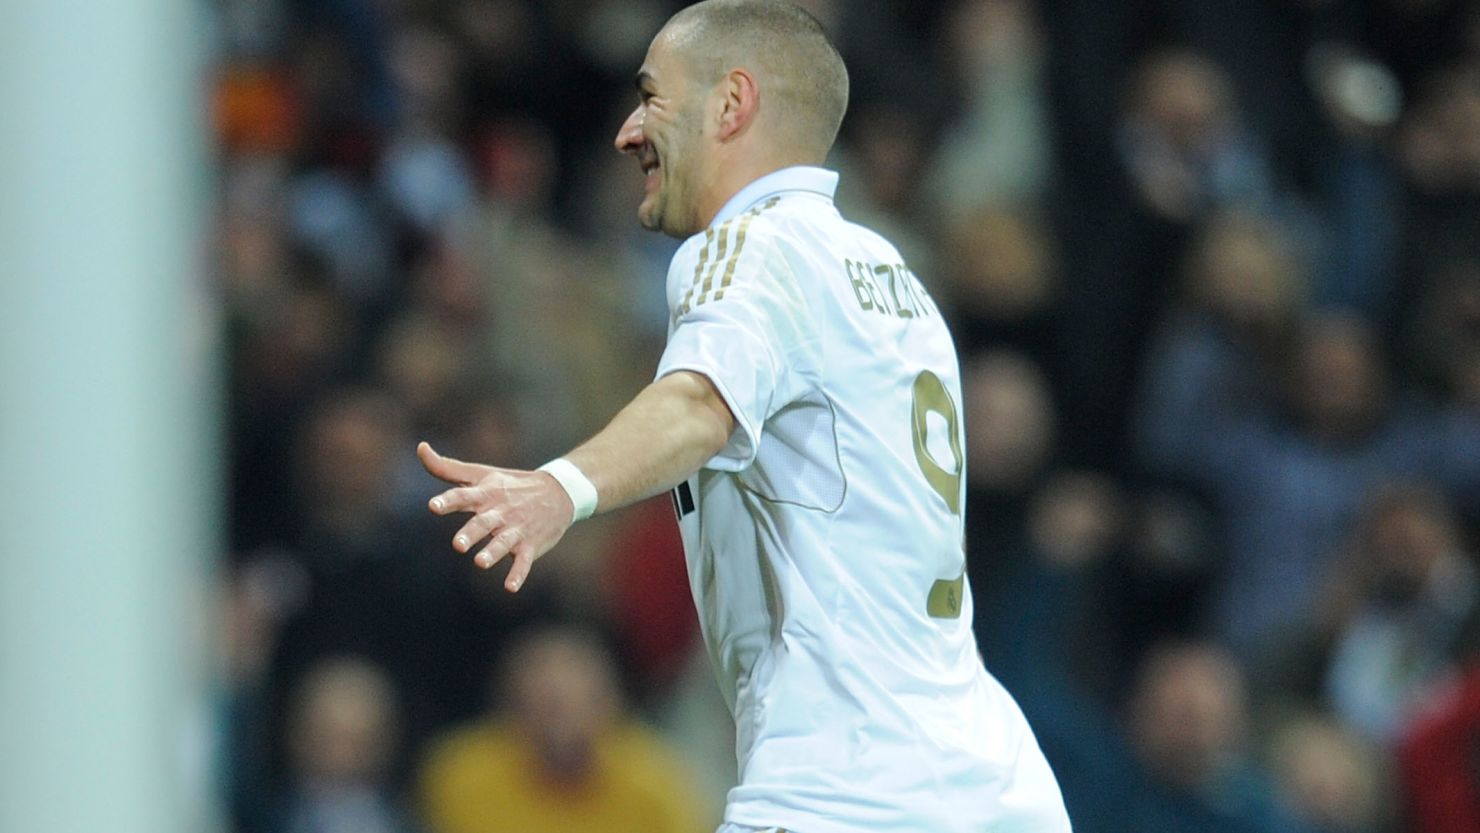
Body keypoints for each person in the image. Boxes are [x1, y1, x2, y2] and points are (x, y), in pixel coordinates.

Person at [416, 2, 1071, 831]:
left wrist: (558, 487)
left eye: (651, 96)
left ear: (730, 105)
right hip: (993, 779)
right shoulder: (890, 272)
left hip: (849, 787)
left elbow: (702, 401)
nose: (626, 131)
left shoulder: (746, 246)